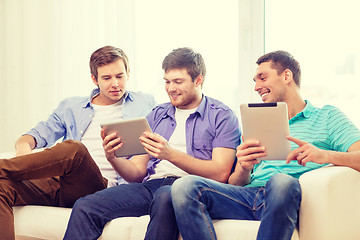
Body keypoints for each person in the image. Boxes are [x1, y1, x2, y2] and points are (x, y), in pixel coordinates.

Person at [163, 50, 360, 240]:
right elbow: (236, 184)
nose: (256, 87)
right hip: (249, 196)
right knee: (183, 186)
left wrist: (326, 155)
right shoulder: (257, 122)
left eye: (262, 78)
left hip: (288, 194)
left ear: (286, 76)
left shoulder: (327, 116)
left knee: (281, 181)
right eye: (255, 81)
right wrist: (243, 166)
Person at [62, 47, 241, 239]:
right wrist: (113, 157)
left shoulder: (221, 115)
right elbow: (137, 172)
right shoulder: (157, 115)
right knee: (85, 206)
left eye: (178, 82)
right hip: (151, 187)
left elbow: (221, 173)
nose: (171, 88)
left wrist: (170, 154)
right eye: (167, 81)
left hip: (190, 190)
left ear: (198, 80)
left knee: (164, 196)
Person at [0, 45, 156, 240]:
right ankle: (6, 169)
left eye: (120, 76)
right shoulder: (72, 107)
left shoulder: (146, 104)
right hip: (61, 183)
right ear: (94, 79)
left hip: (102, 187)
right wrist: (23, 155)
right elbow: (32, 137)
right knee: (2, 189)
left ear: (128, 74)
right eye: (107, 78)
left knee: (75, 150)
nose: (115, 83)